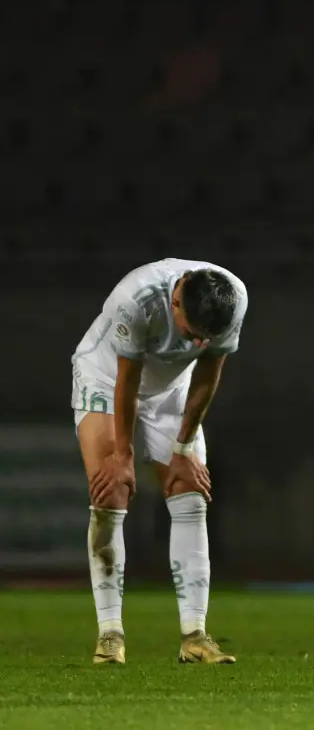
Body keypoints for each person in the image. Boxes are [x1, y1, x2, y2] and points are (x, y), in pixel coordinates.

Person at [73, 258, 247, 665]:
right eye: (191, 333)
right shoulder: (135, 299)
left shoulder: (233, 299)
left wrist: (184, 448)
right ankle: (110, 634)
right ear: (176, 301)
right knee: (110, 489)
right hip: (107, 378)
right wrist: (123, 454)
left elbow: (209, 370)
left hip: (171, 387)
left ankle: (195, 636)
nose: (199, 342)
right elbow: (128, 379)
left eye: (207, 337)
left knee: (190, 494)